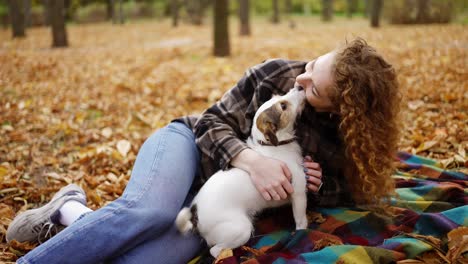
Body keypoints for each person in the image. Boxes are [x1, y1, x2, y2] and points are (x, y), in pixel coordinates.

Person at [6, 38, 400, 264]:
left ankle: (68, 212)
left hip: (217, 201)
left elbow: (350, 188)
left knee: (145, 261)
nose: (301, 78)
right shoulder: (276, 73)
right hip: (189, 147)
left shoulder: (343, 140)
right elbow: (211, 122)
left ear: (341, 112)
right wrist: (252, 161)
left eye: (314, 88)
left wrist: (319, 184)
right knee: (150, 211)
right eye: (314, 63)